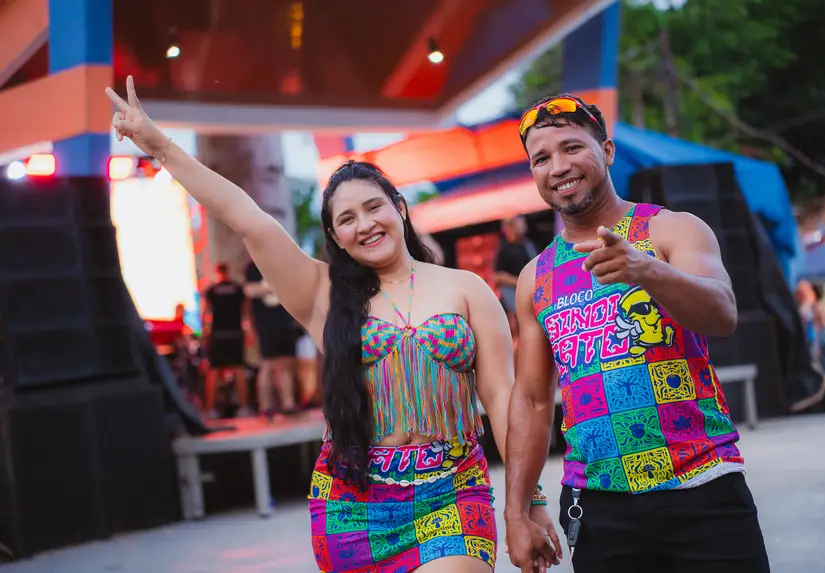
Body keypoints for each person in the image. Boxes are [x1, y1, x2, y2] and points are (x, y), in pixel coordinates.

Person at [105, 76, 558, 573]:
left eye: (374, 207)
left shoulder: (467, 289)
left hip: (452, 491)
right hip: (354, 500)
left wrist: (528, 501)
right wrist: (161, 147)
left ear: (399, 208)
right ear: (336, 237)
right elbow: (246, 216)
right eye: (347, 219)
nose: (364, 224)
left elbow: (502, 400)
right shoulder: (322, 293)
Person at [504, 94, 770, 573]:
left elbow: (723, 314)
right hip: (598, 505)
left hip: (703, 487)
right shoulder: (534, 277)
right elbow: (532, 400)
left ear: (606, 151)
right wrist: (516, 510)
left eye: (572, 147)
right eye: (541, 158)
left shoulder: (672, 230)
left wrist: (646, 270)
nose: (558, 167)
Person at [244, 260, 302, 417]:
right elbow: (249, 290)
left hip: (284, 320)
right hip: (265, 322)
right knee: (267, 363)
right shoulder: (254, 266)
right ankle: (266, 406)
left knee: (286, 363)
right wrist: (273, 287)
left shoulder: (281, 262)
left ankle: (288, 403)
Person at [202, 262, 251, 418]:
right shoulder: (237, 289)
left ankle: (210, 409)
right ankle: (244, 407)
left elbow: (206, 313)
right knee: (238, 369)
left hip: (218, 335)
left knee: (214, 371)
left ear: (217, 272)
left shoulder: (212, 290)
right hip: (235, 333)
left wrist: (205, 333)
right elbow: (246, 311)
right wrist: (248, 331)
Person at [494, 216, 538, 343]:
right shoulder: (504, 249)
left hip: (532, 291)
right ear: (511, 227)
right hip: (514, 293)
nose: (523, 225)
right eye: (520, 223)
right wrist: (519, 281)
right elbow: (498, 276)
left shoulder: (529, 245)